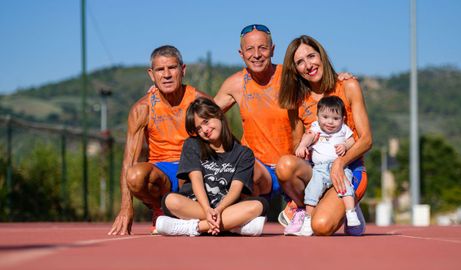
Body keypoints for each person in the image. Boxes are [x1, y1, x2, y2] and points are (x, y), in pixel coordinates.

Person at [214, 24, 354, 201]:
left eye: (263, 48)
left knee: (318, 225)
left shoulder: (290, 75)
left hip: (294, 168)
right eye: (250, 49)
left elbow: (316, 79)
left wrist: (339, 78)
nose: (256, 54)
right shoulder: (235, 84)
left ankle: (300, 206)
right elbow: (205, 117)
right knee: (237, 171)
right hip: (259, 173)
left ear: (272, 50)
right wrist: (228, 148)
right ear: (241, 54)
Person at [276, 35, 372, 236]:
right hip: (318, 170)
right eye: (300, 62)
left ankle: (350, 205)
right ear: (295, 70)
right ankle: (303, 207)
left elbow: (366, 140)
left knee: (320, 226)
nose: (308, 65)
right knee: (285, 165)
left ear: (321, 55)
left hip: (348, 169)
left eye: (311, 56)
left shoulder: (348, 85)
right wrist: (308, 147)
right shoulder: (297, 101)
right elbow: (297, 149)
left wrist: (340, 162)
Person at [108, 45, 209, 235]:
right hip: (163, 174)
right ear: (151, 74)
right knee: (134, 176)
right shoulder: (142, 108)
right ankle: (162, 209)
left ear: (183, 70)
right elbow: (129, 160)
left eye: (172, 68)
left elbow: (220, 143)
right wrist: (125, 207)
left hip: (195, 170)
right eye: (160, 70)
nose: (167, 74)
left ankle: (199, 210)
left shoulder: (200, 101)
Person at [155, 97, 268, 236]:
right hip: (195, 206)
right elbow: (196, 179)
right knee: (170, 200)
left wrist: (219, 210)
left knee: (259, 205)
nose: (205, 130)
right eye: (198, 128)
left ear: (219, 114)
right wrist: (208, 209)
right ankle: (234, 226)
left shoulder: (244, 154)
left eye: (206, 121)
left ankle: (192, 227)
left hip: (225, 208)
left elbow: (235, 189)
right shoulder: (192, 145)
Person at [284, 96, 360, 236]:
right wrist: (302, 145)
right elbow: (309, 136)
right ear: (318, 116)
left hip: (340, 168)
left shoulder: (343, 129)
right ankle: (307, 219)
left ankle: (351, 213)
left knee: (345, 187)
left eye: (335, 118)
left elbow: (352, 141)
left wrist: (344, 145)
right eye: (325, 117)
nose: (330, 122)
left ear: (342, 119)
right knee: (312, 191)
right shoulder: (316, 127)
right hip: (320, 169)